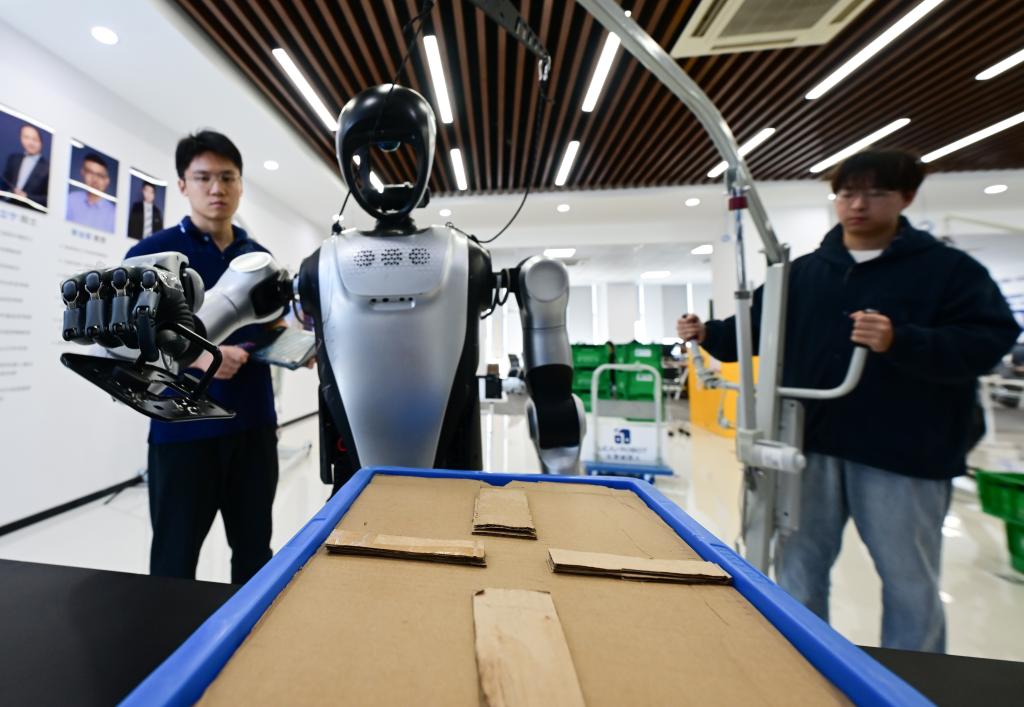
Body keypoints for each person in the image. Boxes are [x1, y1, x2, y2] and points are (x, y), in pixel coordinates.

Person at [677, 150, 1019, 652]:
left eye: (876, 193)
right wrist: (709, 333)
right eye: (847, 193)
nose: (858, 204)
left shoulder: (948, 271)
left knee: (908, 580)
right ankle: (805, 665)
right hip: (810, 444)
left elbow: (989, 340)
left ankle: (908, 679)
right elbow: (755, 331)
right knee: (799, 567)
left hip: (904, 452)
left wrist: (902, 340)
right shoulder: (803, 272)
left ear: (906, 198)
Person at [126, 130, 282, 584]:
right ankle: (170, 633)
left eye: (228, 177)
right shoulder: (150, 255)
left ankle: (251, 630)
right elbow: (128, 339)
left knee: (254, 552)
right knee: (174, 559)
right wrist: (199, 356)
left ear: (241, 184)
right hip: (182, 431)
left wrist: (294, 344)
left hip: (253, 426)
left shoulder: (259, 257)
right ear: (182, 184)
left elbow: (271, 326)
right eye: (203, 177)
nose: (217, 189)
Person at [1, 123, 49, 209]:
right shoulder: (14, 159)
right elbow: (4, 184)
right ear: (21, 138)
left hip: (31, 210)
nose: (30, 142)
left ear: (41, 141)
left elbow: (49, 199)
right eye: (26, 137)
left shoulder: (48, 167)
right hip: (8, 206)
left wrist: (27, 197)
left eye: (34, 139)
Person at [66, 152, 116, 232]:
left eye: (100, 175)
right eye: (90, 172)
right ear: (82, 173)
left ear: (107, 181)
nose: (94, 180)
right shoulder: (70, 199)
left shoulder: (114, 214)